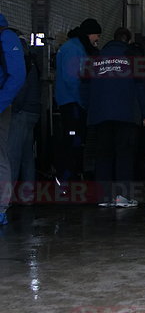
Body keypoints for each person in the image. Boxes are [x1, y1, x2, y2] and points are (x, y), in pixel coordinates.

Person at [86, 27, 145, 203]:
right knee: (125, 154)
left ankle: (103, 197)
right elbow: (141, 86)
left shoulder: (97, 57)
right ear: (128, 40)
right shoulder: (132, 56)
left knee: (103, 155)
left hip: (100, 114)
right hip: (126, 114)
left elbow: (87, 86)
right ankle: (122, 197)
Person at [54, 18, 101, 194]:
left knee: (72, 141)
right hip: (72, 103)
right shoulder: (75, 49)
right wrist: (83, 103)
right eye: (96, 35)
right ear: (89, 33)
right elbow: (73, 80)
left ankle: (68, 179)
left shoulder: (72, 46)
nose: (97, 39)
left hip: (69, 102)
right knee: (73, 142)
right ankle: (66, 180)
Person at [0, 14, 27, 225]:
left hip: (2, 107)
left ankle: (1, 206)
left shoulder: (6, 37)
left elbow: (17, 75)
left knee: (1, 157)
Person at [8, 33, 40, 206]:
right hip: (33, 111)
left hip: (21, 112)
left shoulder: (19, 60)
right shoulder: (31, 60)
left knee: (13, 155)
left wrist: (13, 108)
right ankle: (28, 195)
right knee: (27, 156)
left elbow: (20, 87)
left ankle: (7, 198)